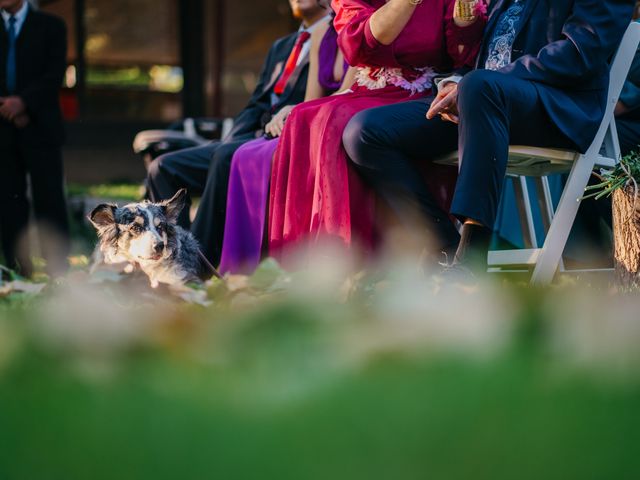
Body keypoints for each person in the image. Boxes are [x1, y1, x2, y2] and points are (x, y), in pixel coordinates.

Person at [345, 0, 635, 276]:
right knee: (365, 132)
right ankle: (442, 250)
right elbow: (486, 54)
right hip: (483, 100)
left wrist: (480, 83)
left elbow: (580, 53)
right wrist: (454, 82)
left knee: (480, 86)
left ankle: (472, 257)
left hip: (556, 106)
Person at [268, 0, 485, 264]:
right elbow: (357, 47)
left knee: (338, 122)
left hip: (428, 91)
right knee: (305, 118)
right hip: (370, 88)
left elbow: (463, 53)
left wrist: (466, 17)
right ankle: (318, 259)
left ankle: (376, 258)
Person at [147, 0, 331, 267]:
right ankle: (171, 259)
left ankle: (197, 264)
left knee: (225, 158)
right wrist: (230, 139)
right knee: (163, 167)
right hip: (248, 137)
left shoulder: (337, 38)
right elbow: (256, 104)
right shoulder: (282, 46)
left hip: (288, 139)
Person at [218, 9, 353, 274]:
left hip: (342, 112)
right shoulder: (320, 36)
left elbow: (346, 93)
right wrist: (290, 111)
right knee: (245, 154)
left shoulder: (360, 29)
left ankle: (283, 254)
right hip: (318, 113)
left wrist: (294, 113)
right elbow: (311, 99)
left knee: (268, 155)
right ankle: (239, 264)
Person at [0, 0, 70, 277]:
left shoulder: (51, 26)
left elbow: (54, 74)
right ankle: (17, 267)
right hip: (2, 130)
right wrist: (7, 107)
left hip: (41, 126)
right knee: (8, 200)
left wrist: (24, 103)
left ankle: (58, 268)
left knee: (50, 198)